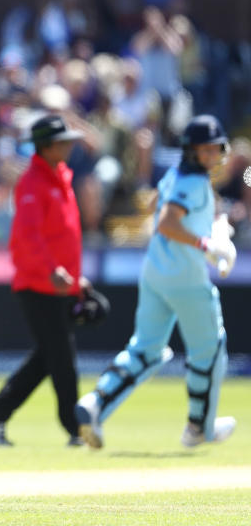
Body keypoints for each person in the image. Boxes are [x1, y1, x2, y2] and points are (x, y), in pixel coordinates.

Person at [75, 115, 237, 450]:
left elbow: (155, 205)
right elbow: (165, 222)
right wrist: (206, 244)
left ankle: (95, 404)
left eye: (213, 149)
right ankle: (199, 427)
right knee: (210, 350)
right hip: (186, 277)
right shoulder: (192, 183)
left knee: (146, 349)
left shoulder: (176, 177)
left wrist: (217, 225)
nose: (211, 156)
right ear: (192, 151)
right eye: (204, 150)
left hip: (155, 272)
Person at [0, 114, 89, 446]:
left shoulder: (61, 176)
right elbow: (28, 237)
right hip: (38, 284)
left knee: (48, 357)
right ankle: (75, 428)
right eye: (63, 141)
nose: (69, 146)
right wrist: (53, 270)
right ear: (46, 147)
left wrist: (77, 281)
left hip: (60, 283)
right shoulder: (32, 183)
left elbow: (65, 236)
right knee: (61, 358)